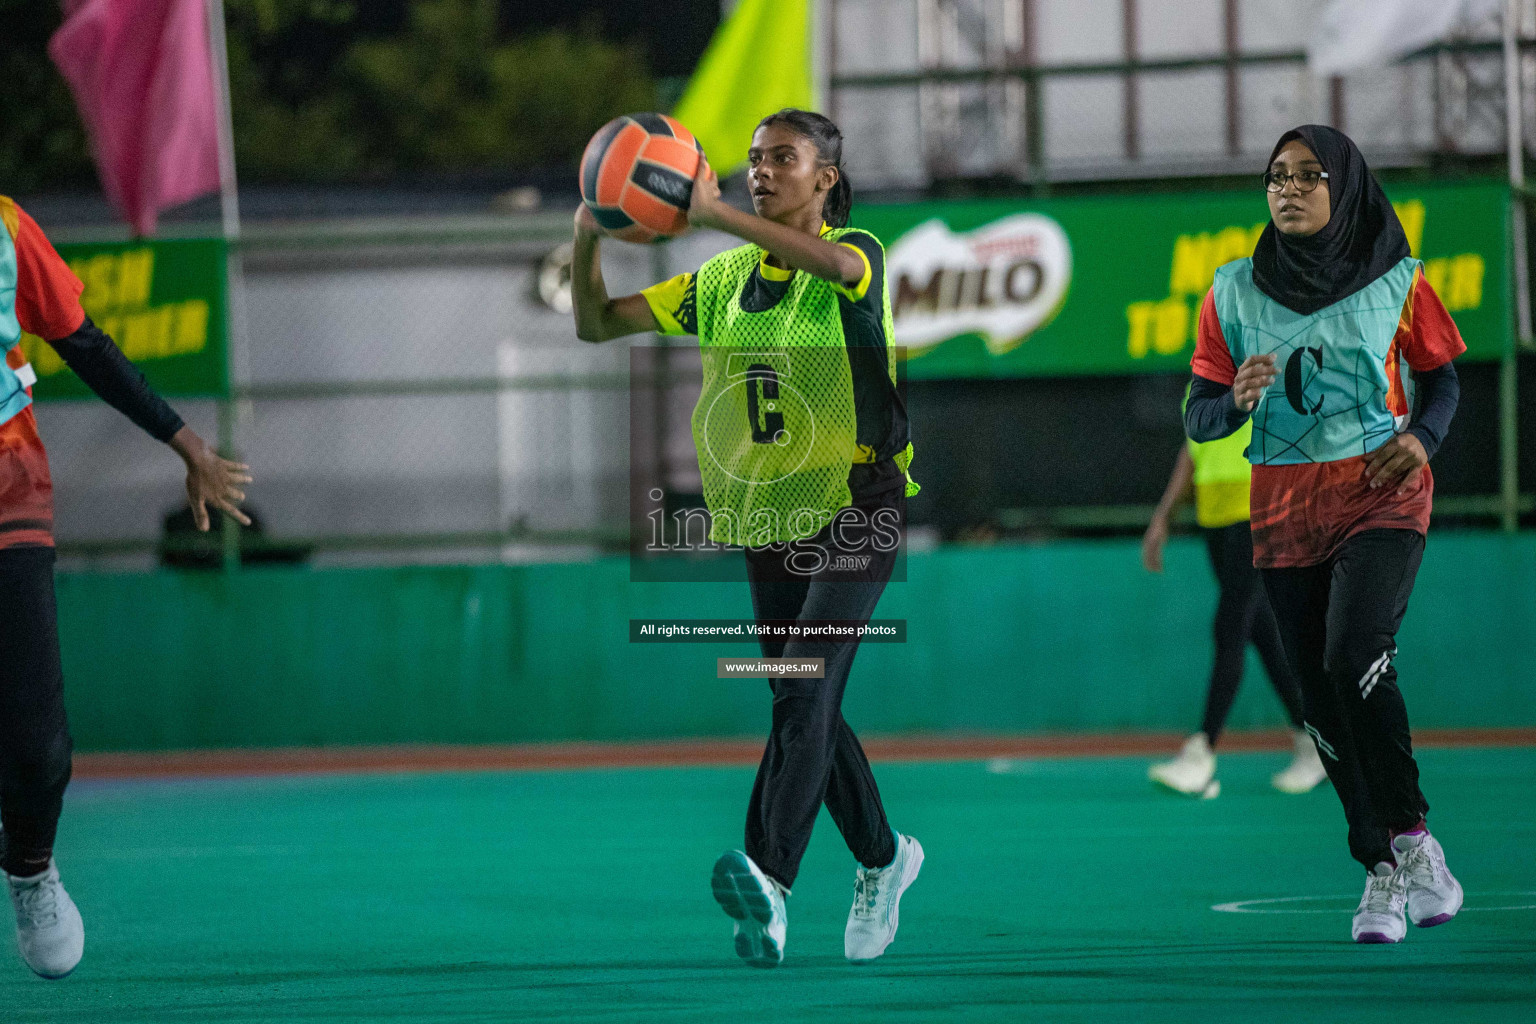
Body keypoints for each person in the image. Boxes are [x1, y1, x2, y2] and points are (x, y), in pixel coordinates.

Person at [569, 109, 922, 967]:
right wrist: (588, 230)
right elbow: (596, 322)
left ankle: (769, 881)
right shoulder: (718, 284)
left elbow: (835, 264)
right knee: (804, 706)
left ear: (826, 179)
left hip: (855, 512)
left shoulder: (860, 257)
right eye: (756, 159)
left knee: (803, 694)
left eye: (785, 159)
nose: (763, 170)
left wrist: (714, 212)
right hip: (768, 521)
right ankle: (885, 858)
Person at [1183, 126, 1465, 944]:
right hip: (1281, 513)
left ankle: (1413, 839)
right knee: (1318, 701)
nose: (1290, 189)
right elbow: (1197, 415)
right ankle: (1377, 870)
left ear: (1345, 186)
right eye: (1276, 176)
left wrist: (1423, 438)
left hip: (1383, 491)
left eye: (1310, 175)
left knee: (1355, 655)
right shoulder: (1231, 292)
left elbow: (1442, 378)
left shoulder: (1401, 281)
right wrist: (1232, 400)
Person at [0, 195, 250, 978]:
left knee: (40, 749)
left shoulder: (5, 227)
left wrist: (185, 443)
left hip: (7, 488)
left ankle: (32, 870)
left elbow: (84, 342)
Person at [1141, 406, 1324, 799]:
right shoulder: (1198, 381)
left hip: (1257, 508)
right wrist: (1163, 517)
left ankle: (1202, 750)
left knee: (1230, 625)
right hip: (1213, 516)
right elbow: (1191, 453)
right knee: (1260, 630)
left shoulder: (1259, 356)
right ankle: (1314, 741)